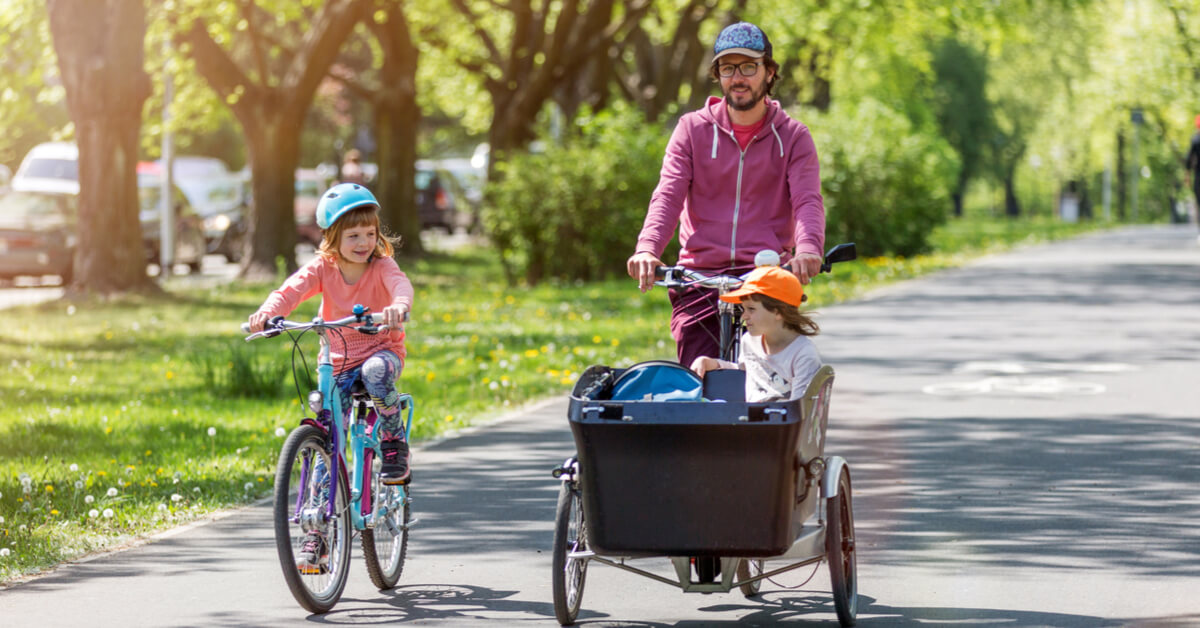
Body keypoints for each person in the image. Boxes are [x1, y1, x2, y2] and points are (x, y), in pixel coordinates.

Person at [626, 21, 826, 368]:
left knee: (771, 377)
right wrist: (648, 249)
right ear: (718, 74)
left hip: (764, 272)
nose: (738, 77)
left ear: (769, 72)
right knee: (698, 375)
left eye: (749, 66)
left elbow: (807, 200)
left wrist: (808, 249)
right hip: (699, 274)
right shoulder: (692, 130)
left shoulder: (793, 136)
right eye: (728, 68)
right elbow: (668, 194)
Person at [247, 183, 413, 569]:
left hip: (380, 351)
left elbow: (401, 287)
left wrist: (398, 306)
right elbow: (290, 290)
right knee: (326, 443)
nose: (363, 242)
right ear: (331, 239)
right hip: (335, 360)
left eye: (370, 234)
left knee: (375, 374)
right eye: (353, 235)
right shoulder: (323, 268)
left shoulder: (382, 266)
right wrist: (267, 312)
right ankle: (316, 536)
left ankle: (392, 441)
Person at [690, 265, 821, 402]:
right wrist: (712, 363)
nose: (744, 316)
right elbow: (746, 369)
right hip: (750, 420)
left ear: (778, 312)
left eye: (751, 309)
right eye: (743, 309)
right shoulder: (749, 341)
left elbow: (800, 411)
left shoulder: (803, 354)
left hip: (781, 421)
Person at [1186, 115, 1200, 233]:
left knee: (1199, 202)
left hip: (1198, 175)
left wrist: (1187, 175)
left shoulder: (1195, 140)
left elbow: (1189, 159)